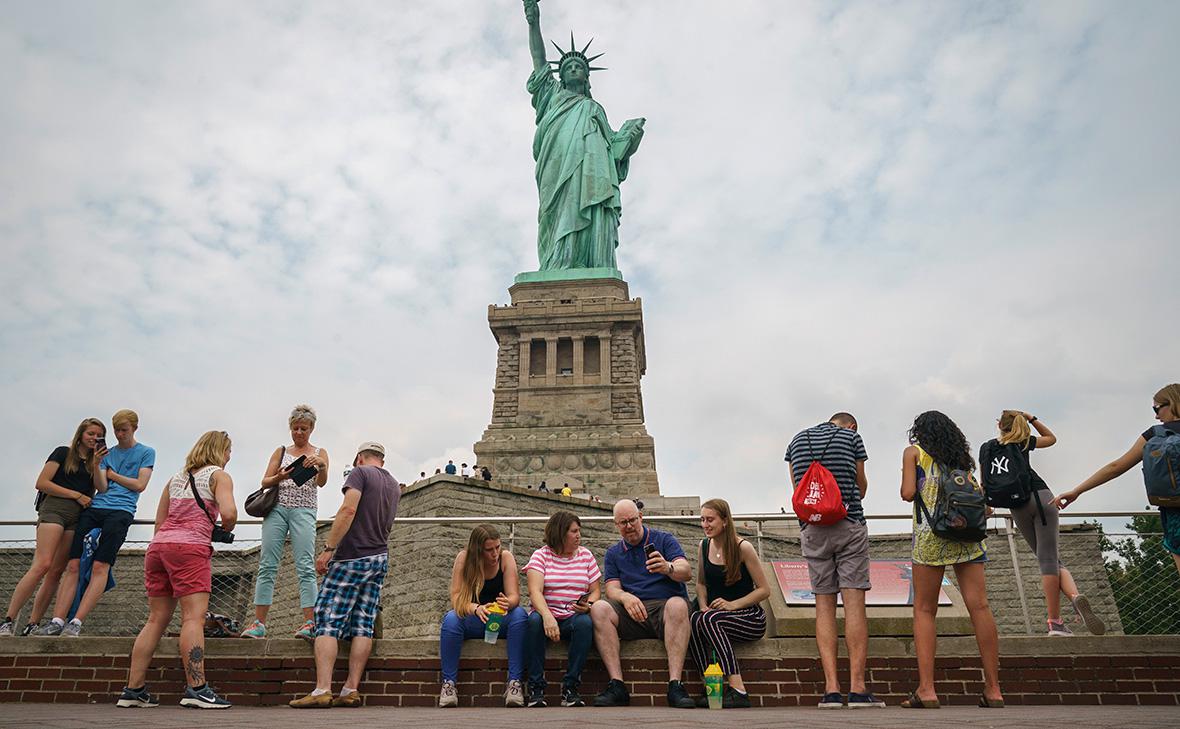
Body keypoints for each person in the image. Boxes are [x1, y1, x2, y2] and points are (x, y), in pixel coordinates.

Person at [521, 0, 645, 271]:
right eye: (568, 67)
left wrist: (629, 139)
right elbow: (539, 60)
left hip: (592, 169)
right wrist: (533, 22)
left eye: (579, 67)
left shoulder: (594, 108)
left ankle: (590, 261)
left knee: (593, 203)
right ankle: (558, 262)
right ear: (562, 76)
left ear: (587, 77)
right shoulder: (552, 96)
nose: (574, 69)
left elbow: (612, 151)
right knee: (556, 213)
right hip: (557, 165)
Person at [118, 430, 237, 709]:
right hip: (190, 550)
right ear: (220, 451)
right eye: (229, 451)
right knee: (193, 619)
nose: (230, 457)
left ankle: (133, 691)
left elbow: (160, 522)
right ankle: (197, 689)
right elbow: (229, 513)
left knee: (155, 619)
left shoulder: (176, 479)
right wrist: (224, 528)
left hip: (159, 549)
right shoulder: (219, 475)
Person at [899, 411, 1003, 709]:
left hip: (931, 535)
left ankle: (927, 690)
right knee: (980, 607)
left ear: (919, 433)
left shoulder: (913, 453)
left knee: (925, 610)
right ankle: (994, 689)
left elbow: (908, 493)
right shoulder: (960, 458)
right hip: (967, 535)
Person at [290, 442, 400, 709]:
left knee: (327, 620)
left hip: (351, 557)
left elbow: (348, 510)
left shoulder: (359, 473)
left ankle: (322, 690)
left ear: (359, 458)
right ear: (382, 461)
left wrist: (329, 549)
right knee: (363, 624)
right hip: (379, 557)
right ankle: (350, 689)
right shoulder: (394, 484)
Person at [785, 412, 883, 708]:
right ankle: (857, 688)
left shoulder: (796, 442)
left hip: (813, 529)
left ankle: (831, 689)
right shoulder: (852, 438)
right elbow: (860, 487)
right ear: (851, 425)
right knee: (854, 603)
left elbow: (797, 490)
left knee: (823, 604)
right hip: (848, 523)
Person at [981, 410, 1103, 636]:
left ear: (999, 425)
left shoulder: (987, 448)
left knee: (1046, 559)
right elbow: (1052, 438)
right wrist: (1032, 418)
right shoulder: (1023, 441)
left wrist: (987, 506)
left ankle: (1063, 615)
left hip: (1015, 504)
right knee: (1050, 559)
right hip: (1041, 498)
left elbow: (985, 480)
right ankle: (1062, 613)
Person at [42, 410, 155, 637]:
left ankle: (76, 622)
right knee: (73, 565)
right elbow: (101, 487)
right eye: (117, 430)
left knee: (100, 566)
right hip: (96, 508)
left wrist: (113, 475)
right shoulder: (107, 453)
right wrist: (98, 465)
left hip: (121, 511)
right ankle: (56, 620)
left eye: (124, 430)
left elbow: (140, 484)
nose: (120, 434)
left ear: (134, 428)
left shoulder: (146, 452)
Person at [1055, 384, 1180, 576]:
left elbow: (1116, 468)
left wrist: (1077, 491)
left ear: (1171, 404)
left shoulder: (1156, 434)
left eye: (1156, 409)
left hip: (1174, 512)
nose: (1156, 416)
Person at [1, 418, 105, 637]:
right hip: (55, 509)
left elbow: (98, 489)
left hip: (76, 517)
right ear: (81, 434)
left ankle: (33, 623)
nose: (94, 438)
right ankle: (8, 620)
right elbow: (42, 482)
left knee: (57, 571)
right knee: (42, 564)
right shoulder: (62, 453)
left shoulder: (94, 463)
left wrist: (96, 465)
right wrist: (75, 494)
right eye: (91, 433)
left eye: (99, 435)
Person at [590, 499, 695, 709]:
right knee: (599, 608)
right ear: (616, 524)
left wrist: (668, 567)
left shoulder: (664, 539)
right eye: (623, 523)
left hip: (665, 609)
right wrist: (625, 597)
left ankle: (675, 685)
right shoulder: (613, 553)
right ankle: (617, 685)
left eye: (632, 520)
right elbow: (611, 588)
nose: (629, 526)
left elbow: (687, 572)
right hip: (632, 611)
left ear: (641, 517)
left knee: (678, 605)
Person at [242, 405, 330, 641]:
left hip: (304, 510)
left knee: (305, 565)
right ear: (290, 428)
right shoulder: (280, 451)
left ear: (311, 429)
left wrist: (319, 465)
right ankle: (259, 622)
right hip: (277, 508)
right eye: (295, 428)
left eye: (303, 428)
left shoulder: (320, 452)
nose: (299, 432)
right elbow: (266, 480)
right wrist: (281, 475)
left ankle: (310, 622)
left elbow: (321, 483)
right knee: (267, 564)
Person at [688, 498, 770, 709]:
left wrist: (733, 605)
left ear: (725, 521)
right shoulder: (704, 545)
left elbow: (764, 590)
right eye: (702, 519)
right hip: (716, 615)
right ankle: (712, 687)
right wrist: (704, 604)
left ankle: (738, 689)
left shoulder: (744, 548)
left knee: (708, 620)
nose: (705, 524)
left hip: (749, 617)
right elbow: (700, 584)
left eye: (710, 520)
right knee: (696, 618)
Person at [439, 525, 527, 708]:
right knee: (450, 619)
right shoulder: (464, 558)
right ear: (478, 550)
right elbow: (455, 599)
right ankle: (449, 685)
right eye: (489, 550)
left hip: (499, 619)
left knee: (519, 615)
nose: (495, 553)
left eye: (497, 547)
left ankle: (515, 684)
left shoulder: (506, 558)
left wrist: (508, 603)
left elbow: (515, 596)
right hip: (474, 619)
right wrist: (475, 608)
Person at [523, 511, 601, 708]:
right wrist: (548, 616)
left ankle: (570, 687)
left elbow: (596, 591)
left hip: (572, 617)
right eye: (574, 531)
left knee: (585, 623)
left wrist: (588, 605)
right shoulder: (540, 555)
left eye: (579, 531)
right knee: (533, 622)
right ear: (560, 533)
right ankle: (536, 687)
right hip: (544, 614)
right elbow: (534, 591)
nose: (578, 536)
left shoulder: (586, 555)